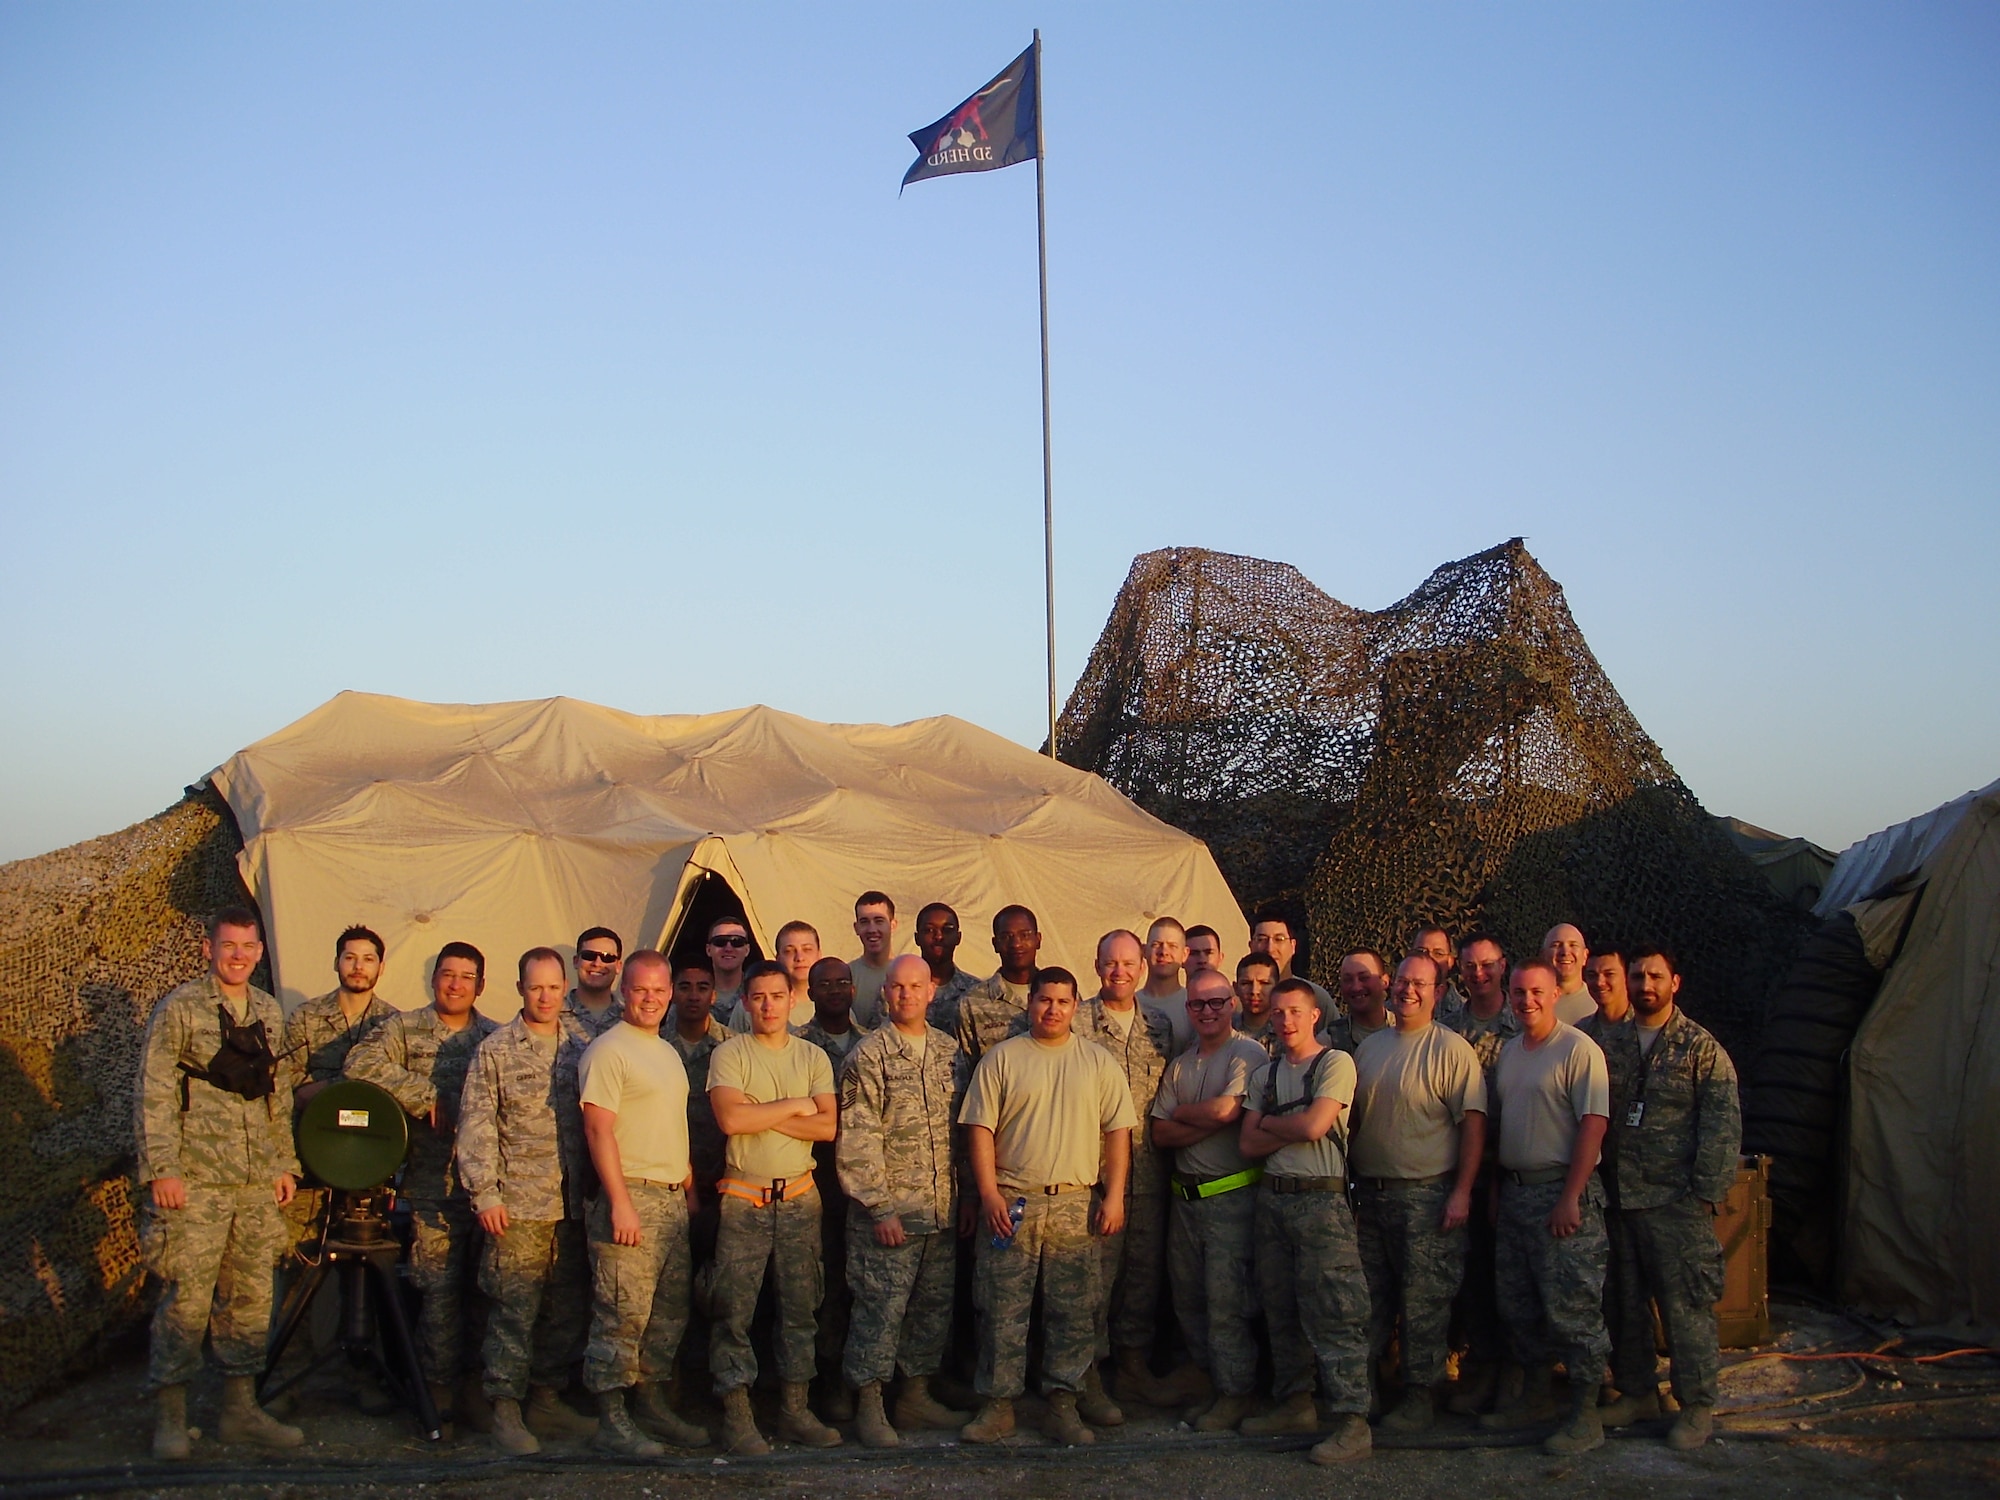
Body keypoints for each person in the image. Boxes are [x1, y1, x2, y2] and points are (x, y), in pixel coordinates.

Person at [136, 905, 301, 1460]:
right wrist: (163, 1169)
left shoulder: (269, 1012)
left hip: (255, 1181)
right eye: (228, 945)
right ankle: (171, 1418)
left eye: (247, 947)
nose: (238, 956)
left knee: (252, 1298)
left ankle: (239, 1410)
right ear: (209, 948)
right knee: (186, 1297)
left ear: (259, 952)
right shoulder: (181, 1009)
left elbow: (276, 1094)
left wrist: (285, 1164)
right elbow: (154, 1090)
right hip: (197, 1178)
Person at [958, 966, 1135, 1447]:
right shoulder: (1002, 1059)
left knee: (1074, 1313)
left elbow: (1118, 1132)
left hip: (1076, 1204)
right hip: (1012, 1205)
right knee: (1001, 1310)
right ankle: (998, 1406)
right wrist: (989, 1192)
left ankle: (1064, 1404)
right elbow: (979, 1129)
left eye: (1062, 1000)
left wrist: (1114, 1195)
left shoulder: (1097, 1062)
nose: (1052, 1009)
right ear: (1030, 1003)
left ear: (1076, 1005)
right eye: (1044, 1000)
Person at [346, 941, 500, 1436]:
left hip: (488, 1189)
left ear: (481, 984)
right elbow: (359, 1064)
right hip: (434, 1188)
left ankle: (475, 1389)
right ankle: (436, 1393)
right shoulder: (403, 1029)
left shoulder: (494, 1038)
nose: (455, 984)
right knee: (437, 1294)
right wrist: (423, 1094)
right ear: (434, 978)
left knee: (485, 1294)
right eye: (447, 974)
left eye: (466, 976)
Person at [1594, 946, 1741, 1450]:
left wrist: (1704, 1196)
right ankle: (1636, 1391)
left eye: (1655, 976)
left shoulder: (1700, 1049)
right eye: (1637, 976)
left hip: (1674, 1204)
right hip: (1617, 1200)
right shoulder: (1607, 1043)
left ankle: (1696, 1405)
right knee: (1623, 1304)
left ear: (1674, 983)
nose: (1645, 984)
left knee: (1686, 1309)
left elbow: (1721, 1127)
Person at [456, 948, 598, 1454]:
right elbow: (476, 1127)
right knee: (513, 1310)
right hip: (517, 1206)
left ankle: (546, 1399)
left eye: (553, 987)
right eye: (535, 987)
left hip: (572, 1205)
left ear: (565, 989)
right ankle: (505, 1408)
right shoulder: (496, 1050)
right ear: (520, 989)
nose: (545, 996)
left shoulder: (585, 1044)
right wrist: (486, 1194)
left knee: (564, 1310)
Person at [706, 960, 840, 1453]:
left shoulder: (812, 1058)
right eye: (758, 996)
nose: (768, 1005)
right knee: (733, 1310)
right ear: (745, 1001)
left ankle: (794, 1409)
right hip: (744, 1200)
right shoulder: (730, 1054)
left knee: (800, 1309)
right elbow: (729, 1119)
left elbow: (827, 1128)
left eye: (777, 996)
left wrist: (759, 1114)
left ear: (791, 999)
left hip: (801, 1198)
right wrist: (794, 1106)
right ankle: (737, 1414)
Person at [577, 952, 708, 1456]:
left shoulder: (665, 1051)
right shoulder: (610, 1051)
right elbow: (597, 1128)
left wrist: (688, 1190)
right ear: (623, 992)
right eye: (640, 990)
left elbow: (668, 1125)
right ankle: (612, 1420)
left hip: (670, 1200)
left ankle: (651, 1406)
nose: (650, 999)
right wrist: (619, 1202)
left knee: (667, 1315)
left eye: (659, 990)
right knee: (621, 1313)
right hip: (630, 1196)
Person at [1238, 978, 1372, 1465]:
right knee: (1281, 1308)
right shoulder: (1265, 1075)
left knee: (1336, 1312)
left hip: (1322, 1204)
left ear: (1315, 1015)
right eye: (1278, 1013)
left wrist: (1272, 1123)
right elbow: (1246, 1146)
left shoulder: (1334, 1064)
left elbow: (1316, 1126)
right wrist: (1286, 1126)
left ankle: (1352, 1421)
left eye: (1295, 1011)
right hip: (1273, 1201)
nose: (1286, 1021)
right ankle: (1295, 1404)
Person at [1480, 960, 1612, 1456]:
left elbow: (1593, 1126)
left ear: (1555, 993)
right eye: (1518, 992)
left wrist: (1571, 1197)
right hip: (1516, 1195)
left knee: (1573, 1308)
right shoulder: (1511, 1053)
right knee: (1519, 1305)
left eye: (1536, 992)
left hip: (1560, 1194)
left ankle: (1585, 1413)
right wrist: (1497, 1192)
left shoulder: (1578, 1050)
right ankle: (1535, 1398)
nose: (1526, 1001)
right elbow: (1503, 1129)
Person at [1349, 955, 1486, 1433]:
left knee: (1424, 1303)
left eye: (1420, 984)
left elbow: (1472, 1124)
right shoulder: (1370, 1049)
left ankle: (1419, 1396)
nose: (1409, 990)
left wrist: (1462, 1192)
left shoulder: (1451, 1050)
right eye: (1403, 981)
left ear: (1439, 990)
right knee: (1368, 1299)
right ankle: (1362, 1393)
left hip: (1428, 1196)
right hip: (1373, 1195)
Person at [837, 955, 969, 1447]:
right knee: (879, 1309)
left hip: (939, 1210)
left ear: (931, 991)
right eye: (897, 987)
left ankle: (915, 1398)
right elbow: (857, 1136)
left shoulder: (951, 1053)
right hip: (890, 1215)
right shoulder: (868, 1057)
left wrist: (967, 1198)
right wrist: (879, 1206)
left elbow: (963, 1133)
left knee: (930, 1310)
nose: (907, 995)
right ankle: (869, 1404)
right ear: (885, 994)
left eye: (916, 986)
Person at [1149, 969, 1269, 1432]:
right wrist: (1202, 1117)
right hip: (1186, 1200)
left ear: (1232, 1003)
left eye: (1216, 1002)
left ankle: (1237, 1391)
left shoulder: (1247, 1053)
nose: (1207, 1011)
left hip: (1231, 1199)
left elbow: (1229, 1110)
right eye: (1198, 1004)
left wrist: (1185, 1113)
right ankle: (1210, 1381)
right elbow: (1160, 1133)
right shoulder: (1182, 1063)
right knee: (1190, 1299)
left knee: (1228, 1303)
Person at [1080, 929, 1182, 1414]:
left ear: (1141, 966)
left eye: (1127, 963)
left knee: (1142, 1277)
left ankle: (1133, 1369)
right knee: (1094, 1283)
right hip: (1093, 1178)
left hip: (1150, 1176)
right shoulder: (1076, 1023)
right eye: (1109, 963)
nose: (1118, 971)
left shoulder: (1159, 1026)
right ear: (1096, 965)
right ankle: (1089, 1375)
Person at [277, 926, 394, 1331]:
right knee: (295, 1261)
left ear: (381, 966)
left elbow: (393, 1089)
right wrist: (340, 1092)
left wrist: (326, 1092)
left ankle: (358, 1368)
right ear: (336, 963)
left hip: (368, 1164)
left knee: (364, 1274)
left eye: (367, 959)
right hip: (312, 1157)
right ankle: (288, 1366)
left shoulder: (391, 1022)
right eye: (350, 957)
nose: (358, 967)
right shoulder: (306, 1018)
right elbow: (286, 1086)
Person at [1439, 931, 1519, 1415]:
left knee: (1511, 1282)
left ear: (1502, 965)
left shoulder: (1524, 1024)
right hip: (1460, 1173)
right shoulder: (1449, 1027)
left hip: (1509, 1173)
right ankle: (1480, 1368)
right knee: (1470, 1282)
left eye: (1486, 965)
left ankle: (1516, 1376)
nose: (1478, 974)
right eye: (1470, 967)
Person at [796, 956, 865, 1421]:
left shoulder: (872, 1045)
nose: (836, 990)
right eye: (825, 984)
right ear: (810, 992)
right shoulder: (798, 1047)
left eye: (843, 982)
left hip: (862, 1185)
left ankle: (858, 1379)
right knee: (818, 1286)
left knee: (859, 1283)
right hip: (813, 1181)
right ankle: (822, 1380)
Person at [666, 957, 731, 1263]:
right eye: (684, 987)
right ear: (671, 992)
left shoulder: (732, 1048)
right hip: (668, 1179)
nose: (693, 995)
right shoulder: (655, 1044)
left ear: (714, 995)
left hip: (723, 1178)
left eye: (702, 988)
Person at [955, 905, 1041, 1062]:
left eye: (1025, 935)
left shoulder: (1060, 995)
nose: (1016, 944)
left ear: (1038, 940)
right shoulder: (973, 1003)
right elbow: (966, 1068)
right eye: (1006, 937)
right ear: (995, 944)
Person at [729, 921, 820, 1032]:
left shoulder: (834, 1004)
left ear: (819, 954)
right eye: (789, 951)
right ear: (778, 958)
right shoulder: (750, 1006)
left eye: (807, 949)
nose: (799, 957)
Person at [914, 901, 981, 1036]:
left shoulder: (977, 992)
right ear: (917, 938)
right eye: (929, 930)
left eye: (947, 930)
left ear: (958, 937)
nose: (938, 936)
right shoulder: (898, 990)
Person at [1249, 909, 1334, 1012]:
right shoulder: (1239, 1000)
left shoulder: (1316, 997)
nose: (1270, 948)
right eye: (1261, 939)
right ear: (1251, 946)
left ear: (1293, 946)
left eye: (1279, 939)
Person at [1326, 949, 1394, 1055]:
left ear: (1384, 981)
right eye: (1348, 979)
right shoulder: (1330, 1041)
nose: (1356, 987)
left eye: (1364, 978)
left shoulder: (1406, 1031)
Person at [848, 891, 897, 1028]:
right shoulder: (847, 976)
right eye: (864, 922)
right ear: (856, 928)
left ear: (893, 925)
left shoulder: (908, 973)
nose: (872, 929)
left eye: (879, 921)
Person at [1143, 917, 1192, 1052]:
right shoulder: (1130, 1004)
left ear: (1185, 954)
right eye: (1156, 944)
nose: (1163, 952)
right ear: (1144, 951)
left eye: (1172, 946)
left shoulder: (1195, 1006)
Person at [566, 927, 626, 1038]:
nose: (597, 963)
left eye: (607, 958)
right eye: (589, 956)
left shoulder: (629, 1019)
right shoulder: (551, 1014)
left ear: (618, 966)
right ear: (575, 961)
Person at [1410, 926, 1466, 1029]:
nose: (1429, 958)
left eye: (1438, 954)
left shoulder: (1464, 1013)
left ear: (1450, 961)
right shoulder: (1391, 1012)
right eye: (1420, 951)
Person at [1541, 924, 1596, 1025]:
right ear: (1543, 955)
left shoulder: (1598, 1002)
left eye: (1573, 945)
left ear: (1585, 956)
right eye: (1556, 945)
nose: (1565, 952)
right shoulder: (1532, 1004)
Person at [705, 917, 755, 1027]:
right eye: (720, 942)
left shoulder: (758, 994)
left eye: (737, 942)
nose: (728, 948)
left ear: (747, 950)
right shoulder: (693, 995)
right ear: (708, 950)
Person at [1234, 952, 1282, 1055]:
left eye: (1264, 983)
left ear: (1277, 988)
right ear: (1236, 988)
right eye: (1246, 983)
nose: (1254, 991)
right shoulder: (1225, 1031)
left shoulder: (1285, 1031)